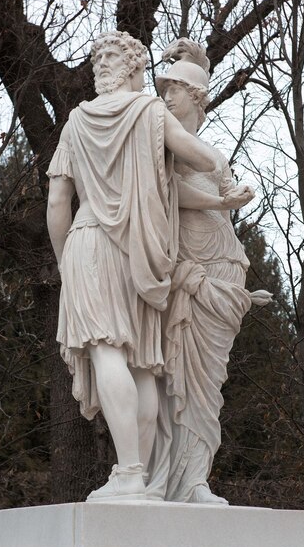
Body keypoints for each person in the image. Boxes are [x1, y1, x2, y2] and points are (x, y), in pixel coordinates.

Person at [46, 31, 224, 502]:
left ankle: (128, 475)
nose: (100, 66)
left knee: (108, 352)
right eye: (98, 59)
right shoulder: (152, 114)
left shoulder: (77, 122)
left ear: (131, 68)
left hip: (89, 244)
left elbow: (57, 202)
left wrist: (66, 261)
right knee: (143, 366)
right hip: (139, 253)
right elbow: (203, 155)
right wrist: (218, 183)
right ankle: (138, 477)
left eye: (106, 59)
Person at [148, 38, 271, 504]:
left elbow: (224, 197)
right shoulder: (158, 145)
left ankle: (196, 476)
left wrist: (235, 193)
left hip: (226, 270)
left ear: (196, 97)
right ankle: (174, 479)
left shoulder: (212, 152)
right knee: (178, 379)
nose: (166, 95)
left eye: (175, 88)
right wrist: (222, 198)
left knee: (209, 385)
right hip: (187, 272)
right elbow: (171, 192)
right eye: (164, 88)